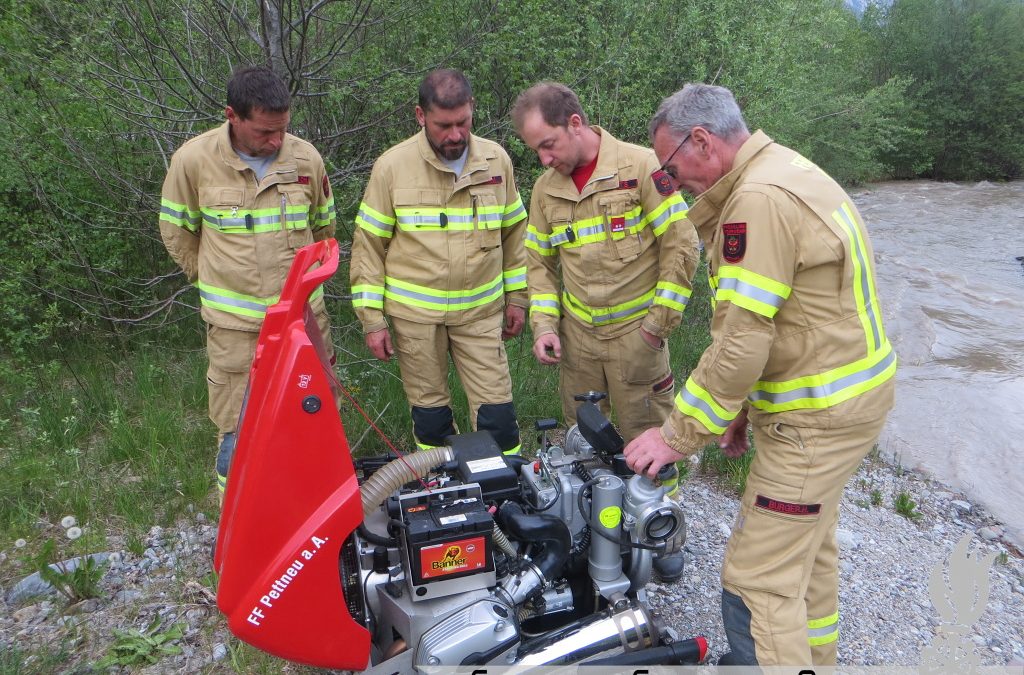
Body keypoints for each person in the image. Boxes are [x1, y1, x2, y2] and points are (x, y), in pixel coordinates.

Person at [627, 83, 897, 666]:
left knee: (757, 582)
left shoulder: (758, 201)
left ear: (701, 140)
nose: (675, 185)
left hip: (815, 419)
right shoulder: (789, 168)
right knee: (808, 549)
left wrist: (676, 435)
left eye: (671, 169)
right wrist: (745, 411)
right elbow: (794, 317)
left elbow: (743, 341)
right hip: (848, 403)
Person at [159, 66, 336, 499]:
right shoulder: (194, 161)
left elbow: (323, 229)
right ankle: (238, 528)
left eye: (282, 130)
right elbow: (176, 231)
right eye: (264, 132)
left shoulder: (306, 159)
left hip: (303, 324)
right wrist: (211, 276)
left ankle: (307, 511)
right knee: (237, 432)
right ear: (232, 116)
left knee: (312, 418)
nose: (275, 142)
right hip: (236, 331)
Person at [511, 82, 699, 448]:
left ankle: (660, 508)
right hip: (577, 340)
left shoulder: (641, 165)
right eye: (536, 150)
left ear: (575, 123)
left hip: (637, 335)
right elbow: (538, 265)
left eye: (548, 145)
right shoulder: (545, 190)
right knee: (583, 444)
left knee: (649, 447)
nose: (544, 160)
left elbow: (682, 245)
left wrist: (656, 326)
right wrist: (545, 327)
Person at [350, 69, 527, 455]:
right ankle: (441, 490)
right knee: (431, 419)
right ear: (419, 115)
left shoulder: (496, 161)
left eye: (463, 122)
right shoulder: (392, 167)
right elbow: (368, 247)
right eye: (443, 125)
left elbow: (516, 235)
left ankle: (505, 490)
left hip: (481, 314)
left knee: (498, 415)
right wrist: (372, 319)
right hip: (415, 319)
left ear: (472, 109)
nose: (455, 135)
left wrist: (519, 297)